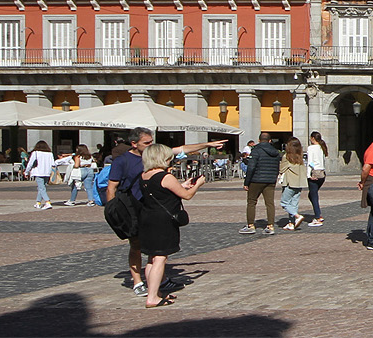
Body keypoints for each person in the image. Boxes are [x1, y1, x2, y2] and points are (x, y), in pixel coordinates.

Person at [108, 127, 222, 298]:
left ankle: (158, 282)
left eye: (151, 142)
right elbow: (112, 186)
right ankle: (138, 281)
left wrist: (206, 144)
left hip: (149, 207)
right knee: (137, 246)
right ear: (134, 143)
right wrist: (112, 211)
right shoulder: (123, 161)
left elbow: (182, 149)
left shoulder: (153, 157)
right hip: (132, 207)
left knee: (152, 250)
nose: (150, 145)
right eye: (146, 142)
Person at [136, 143, 205, 308]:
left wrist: (183, 185)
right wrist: (197, 184)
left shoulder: (144, 175)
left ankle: (155, 292)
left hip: (147, 218)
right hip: (162, 221)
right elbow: (187, 196)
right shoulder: (165, 177)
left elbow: (163, 193)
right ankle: (152, 297)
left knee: (152, 258)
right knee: (161, 258)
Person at [240, 132, 280, 235]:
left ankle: (250, 225)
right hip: (270, 180)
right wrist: (274, 178)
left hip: (256, 179)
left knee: (251, 202)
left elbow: (251, 167)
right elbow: (277, 167)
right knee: (270, 203)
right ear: (270, 140)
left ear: (259, 140)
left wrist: (246, 182)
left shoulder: (256, 150)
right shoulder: (275, 152)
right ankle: (270, 226)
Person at [278, 137, 307, 230]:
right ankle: (291, 223)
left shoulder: (287, 157)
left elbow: (282, 169)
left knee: (284, 202)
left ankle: (297, 216)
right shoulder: (300, 156)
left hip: (290, 183)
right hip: (299, 183)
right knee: (294, 204)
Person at [305, 131, 328, 227]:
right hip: (322, 173)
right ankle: (318, 214)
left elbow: (310, 162)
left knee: (313, 195)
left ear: (313, 138)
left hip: (314, 172)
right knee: (312, 195)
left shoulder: (311, 148)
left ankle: (318, 217)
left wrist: (308, 174)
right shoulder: (322, 147)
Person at [25, 140, 56, 209]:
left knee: (41, 188)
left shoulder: (35, 153)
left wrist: (26, 172)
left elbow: (30, 163)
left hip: (38, 172)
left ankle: (47, 202)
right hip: (47, 172)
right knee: (42, 188)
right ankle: (38, 202)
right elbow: (53, 164)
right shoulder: (50, 154)